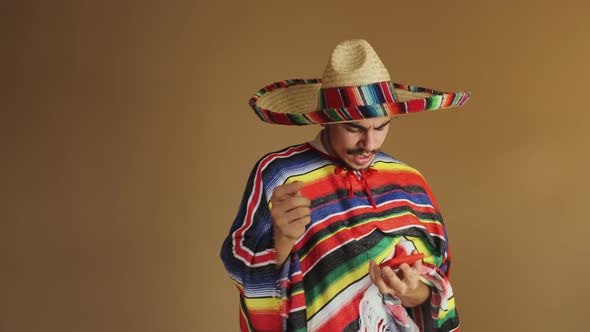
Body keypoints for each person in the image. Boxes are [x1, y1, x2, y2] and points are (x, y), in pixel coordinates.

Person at [220, 39, 470, 332]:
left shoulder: (409, 182)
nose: (370, 144)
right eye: (354, 129)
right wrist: (282, 241)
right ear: (325, 121)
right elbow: (238, 264)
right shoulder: (282, 174)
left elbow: (436, 282)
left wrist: (412, 292)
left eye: (381, 127)